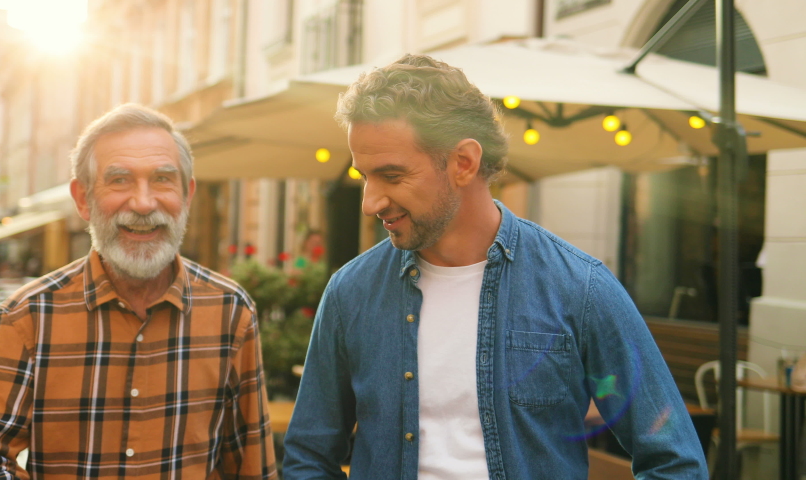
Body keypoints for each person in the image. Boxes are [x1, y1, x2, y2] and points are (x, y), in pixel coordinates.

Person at [282, 55, 707, 479]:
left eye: (392, 176)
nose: (369, 202)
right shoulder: (350, 293)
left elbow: (674, 462)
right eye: (364, 176)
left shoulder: (580, 288)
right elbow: (308, 459)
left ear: (463, 163)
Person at [0, 104, 276, 479]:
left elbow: (252, 466)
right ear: (82, 198)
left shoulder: (231, 312)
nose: (143, 203)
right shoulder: (29, 316)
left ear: (187, 194)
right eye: (120, 180)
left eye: (162, 179)